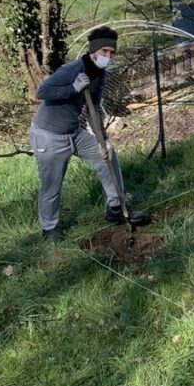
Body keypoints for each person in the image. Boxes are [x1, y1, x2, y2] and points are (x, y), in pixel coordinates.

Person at [29, 26, 138, 242]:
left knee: (107, 156)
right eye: (105, 51)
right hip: (49, 136)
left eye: (112, 53)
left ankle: (116, 206)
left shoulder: (99, 74)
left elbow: (93, 108)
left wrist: (102, 140)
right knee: (52, 184)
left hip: (74, 132)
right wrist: (73, 88)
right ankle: (49, 228)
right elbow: (42, 92)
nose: (108, 56)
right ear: (93, 50)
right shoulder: (72, 70)